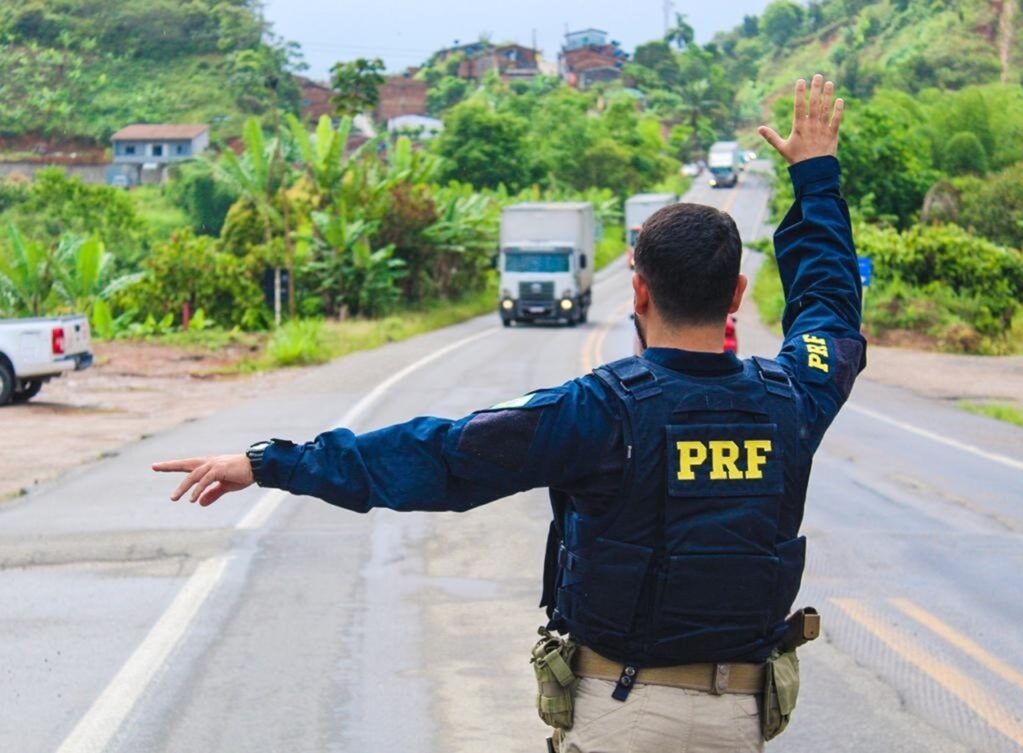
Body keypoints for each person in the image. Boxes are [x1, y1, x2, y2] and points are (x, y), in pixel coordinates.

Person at [155, 74, 864, 753]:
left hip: (619, 715)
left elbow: (441, 457)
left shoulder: (601, 409)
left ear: (637, 292)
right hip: (734, 722)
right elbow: (830, 312)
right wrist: (817, 179)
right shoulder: (793, 399)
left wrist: (268, 461)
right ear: (737, 293)